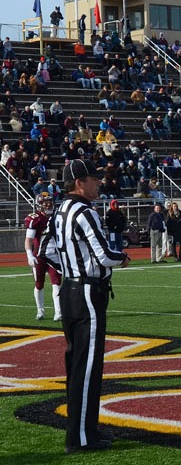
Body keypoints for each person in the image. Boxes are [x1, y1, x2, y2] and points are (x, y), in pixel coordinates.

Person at [40, 159, 130, 453]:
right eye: (94, 179)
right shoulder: (84, 211)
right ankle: (80, 438)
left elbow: (45, 251)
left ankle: (85, 431)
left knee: (77, 365)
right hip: (88, 292)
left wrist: (70, 269)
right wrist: (122, 257)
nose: (99, 183)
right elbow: (104, 255)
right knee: (87, 368)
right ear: (80, 182)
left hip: (69, 290)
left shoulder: (59, 211)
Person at [25, 192, 62, 321]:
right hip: (39, 255)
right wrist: (29, 255)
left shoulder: (57, 216)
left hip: (53, 254)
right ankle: (40, 311)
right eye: (46, 202)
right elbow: (28, 239)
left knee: (56, 283)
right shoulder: (35, 219)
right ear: (39, 204)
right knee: (39, 284)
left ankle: (58, 312)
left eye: (50, 202)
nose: (49, 204)